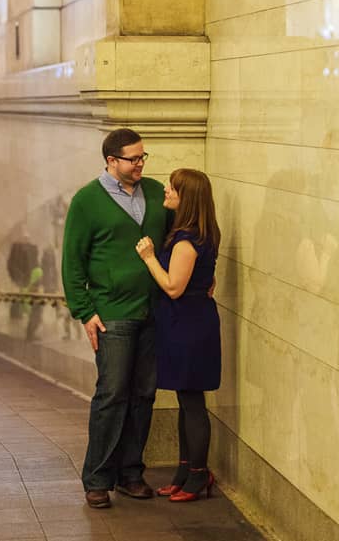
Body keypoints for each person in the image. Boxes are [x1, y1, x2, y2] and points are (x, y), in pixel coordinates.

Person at [62, 128, 168, 508]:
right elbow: (72, 261)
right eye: (133, 158)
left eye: (143, 157)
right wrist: (85, 311)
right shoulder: (87, 201)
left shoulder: (156, 193)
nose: (140, 164)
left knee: (144, 394)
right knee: (112, 394)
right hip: (113, 313)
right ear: (111, 161)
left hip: (153, 310)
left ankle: (130, 474)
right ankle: (97, 478)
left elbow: (176, 242)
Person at [135, 169, 221, 503]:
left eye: (173, 188)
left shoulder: (186, 241)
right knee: (187, 400)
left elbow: (173, 287)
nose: (166, 190)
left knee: (192, 402)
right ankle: (185, 473)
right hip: (190, 321)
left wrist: (148, 258)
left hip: (189, 326)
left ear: (188, 198)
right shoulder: (200, 233)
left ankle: (198, 476)